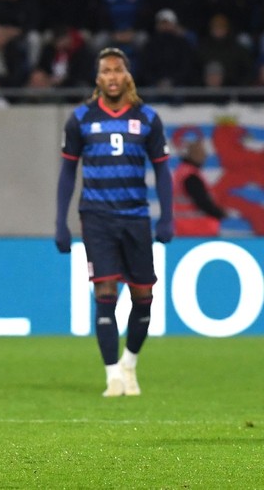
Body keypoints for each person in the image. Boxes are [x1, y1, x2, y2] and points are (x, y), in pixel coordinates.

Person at [55, 47, 174, 398]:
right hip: (96, 217)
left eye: (117, 70)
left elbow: (163, 170)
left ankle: (130, 364)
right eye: (105, 71)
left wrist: (167, 218)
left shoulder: (148, 118)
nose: (111, 76)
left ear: (126, 75)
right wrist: (60, 222)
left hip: (136, 217)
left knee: (143, 295)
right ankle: (112, 376)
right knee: (104, 292)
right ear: (98, 77)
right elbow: (67, 171)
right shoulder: (81, 118)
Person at [172, 129, 226, 236]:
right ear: (191, 154)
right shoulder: (190, 176)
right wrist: (218, 213)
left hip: (185, 230)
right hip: (199, 231)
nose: (204, 155)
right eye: (200, 151)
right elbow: (202, 201)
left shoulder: (181, 172)